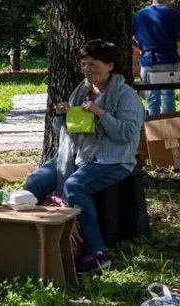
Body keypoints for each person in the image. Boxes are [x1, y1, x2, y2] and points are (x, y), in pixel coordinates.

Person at [24, 39, 144, 273]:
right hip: (76, 154)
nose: (87, 69)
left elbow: (127, 135)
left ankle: (97, 252)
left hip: (114, 158)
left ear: (110, 66)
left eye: (93, 64)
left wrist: (100, 112)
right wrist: (61, 116)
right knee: (35, 181)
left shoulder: (125, 95)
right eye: (84, 64)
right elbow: (64, 132)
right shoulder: (81, 91)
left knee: (75, 185)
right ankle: (35, 236)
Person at [134, 0, 180, 115]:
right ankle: (169, 130)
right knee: (168, 95)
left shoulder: (139, 15)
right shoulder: (173, 14)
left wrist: (141, 46)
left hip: (148, 59)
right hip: (169, 59)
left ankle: (153, 128)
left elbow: (132, 36)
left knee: (152, 98)